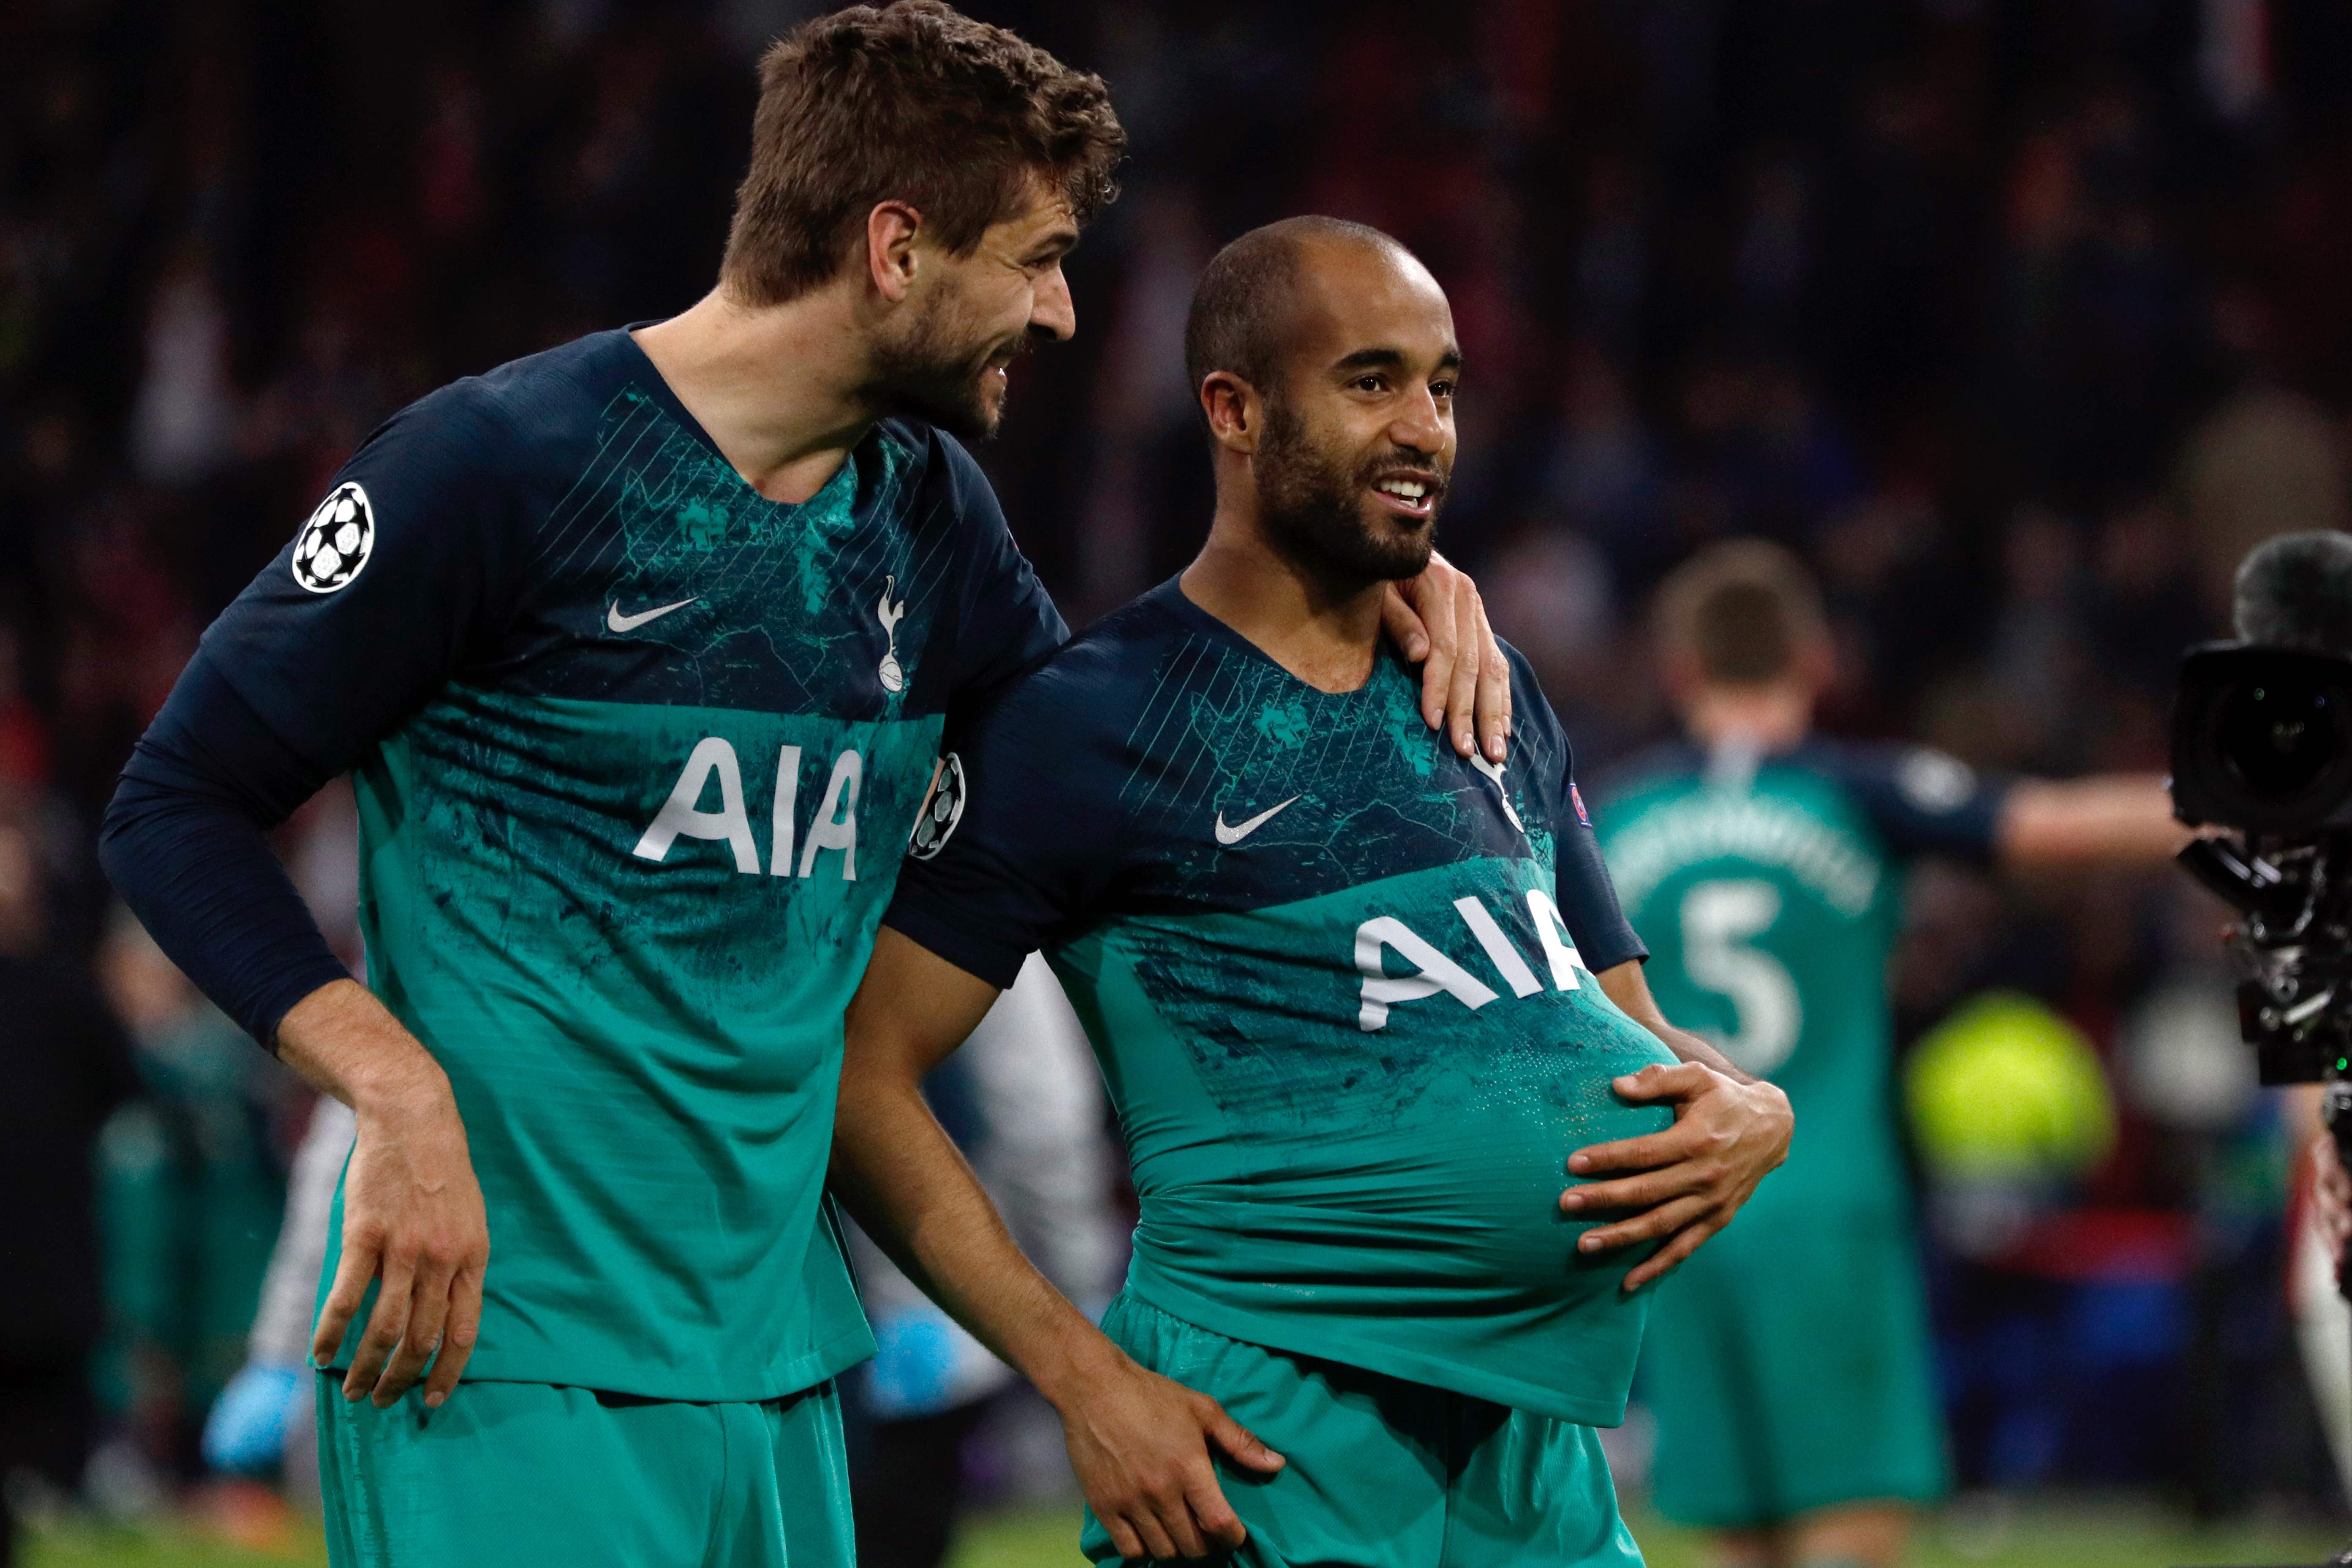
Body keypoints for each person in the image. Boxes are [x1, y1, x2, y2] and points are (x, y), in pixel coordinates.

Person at [95, 9, 1508, 1566]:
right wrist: (391, 1082)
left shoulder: (928, 522)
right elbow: (175, 804)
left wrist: (1376, 579)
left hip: (780, 1378)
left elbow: (1127, 774)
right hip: (504, 1355)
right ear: (895, 247)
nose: (1053, 314)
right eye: (1031, 258)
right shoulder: (501, 468)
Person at [828, 216, 1794, 1568]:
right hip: (1265, 1447)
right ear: (1233, 409)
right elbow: (862, 1073)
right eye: (1371, 381)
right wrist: (1084, 1382)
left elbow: (1638, 1044)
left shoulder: (1483, 689)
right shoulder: (1087, 723)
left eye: (1444, 387)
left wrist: (1754, 1107)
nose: (1426, 429)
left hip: (1533, 1463)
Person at [1591, 540, 2188, 1568]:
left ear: (1678, 665)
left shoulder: (1608, 813)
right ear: (1819, 659)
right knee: (1851, 1524)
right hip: (1828, 1199)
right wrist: (2256, 806)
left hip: (1680, 1209)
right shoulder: (1854, 791)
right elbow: (2059, 825)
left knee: (1739, 1541)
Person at [0, 824, 142, 1568]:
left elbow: (125, 1090)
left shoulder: (64, 998)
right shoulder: (68, 997)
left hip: (49, 1268)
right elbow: (126, 1090)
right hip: (52, 1265)